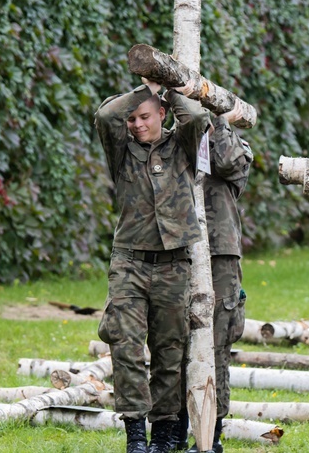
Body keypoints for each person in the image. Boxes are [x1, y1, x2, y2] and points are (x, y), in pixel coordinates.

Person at [94, 79, 210, 453]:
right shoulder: (121, 149)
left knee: (169, 350)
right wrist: (141, 92)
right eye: (132, 119)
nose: (137, 124)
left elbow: (194, 116)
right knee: (125, 346)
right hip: (129, 262)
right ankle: (135, 436)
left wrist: (169, 89)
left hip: (173, 265)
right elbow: (105, 114)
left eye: (145, 116)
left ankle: (163, 433)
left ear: (162, 114)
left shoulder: (182, 146)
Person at [167, 104, 252, 453]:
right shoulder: (172, 142)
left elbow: (228, 164)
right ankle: (172, 430)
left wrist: (215, 118)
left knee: (215, 345)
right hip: (177, 251)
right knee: (172, 344)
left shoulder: (236, 146)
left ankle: (210, 435)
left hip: (219, 255)